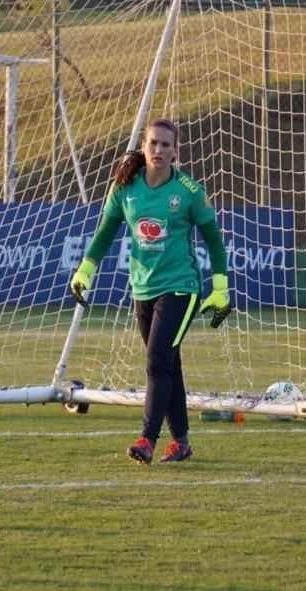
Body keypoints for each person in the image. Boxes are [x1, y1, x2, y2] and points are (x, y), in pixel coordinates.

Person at [69, 118, 231, 464]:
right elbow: (106, 230)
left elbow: (214, 240)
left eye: (166, 145)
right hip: (142, 288)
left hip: (182, 288)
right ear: (143, 146)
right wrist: (86, 268)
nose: (159, 150)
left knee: (157, 360)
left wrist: (220, 287)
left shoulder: (188, 191)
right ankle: (182, 442)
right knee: (168, 365)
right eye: (153, 143)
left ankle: (147, 439)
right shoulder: (125, 187)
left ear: (176, 152)